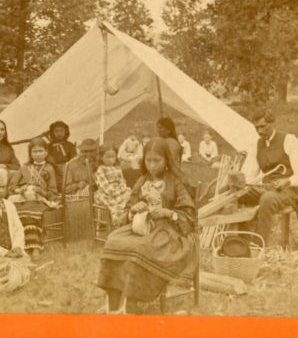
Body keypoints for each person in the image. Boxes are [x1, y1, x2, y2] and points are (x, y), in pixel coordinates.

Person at [97, 139, 197, 314]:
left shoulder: (176, 182)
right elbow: (126, 212)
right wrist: (133, 211)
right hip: (141, 227)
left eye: (156, 160)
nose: (152, 165)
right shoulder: (142, 181)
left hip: (169, 231)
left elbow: (190, 216)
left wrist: (167, 212)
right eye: (148, 160)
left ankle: (131, 303)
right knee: (114, 240)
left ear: (167, 160)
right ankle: (113, 303)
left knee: (140, 248)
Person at [235, 110, 298, 246]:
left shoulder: (289, 140)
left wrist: (287, 181)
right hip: (267, 188)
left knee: (267, 199)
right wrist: (238, 180)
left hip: (289, 191)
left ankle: (259, 244)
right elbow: (249, 175)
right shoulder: (257, 145)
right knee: (237, 195)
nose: (259, 131)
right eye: (256, 127)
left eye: (263, 126)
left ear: (272, 123)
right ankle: (241, 241)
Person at [8, 138, 60, 260]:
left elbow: (53, 192)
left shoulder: (49, 168)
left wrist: (40, 191)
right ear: (30, 153)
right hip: (24, 199)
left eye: (40, 151)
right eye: (34, 152)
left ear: (46, 152)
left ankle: (35, 246)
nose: (37, 154)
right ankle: (22, 246)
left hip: (40, 200)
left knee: (31, 214)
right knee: (18, 213)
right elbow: (12, 186)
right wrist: (20, 190)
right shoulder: (25, 167)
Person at [94, 145, 132, 228]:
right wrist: (116, 193)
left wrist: (123, 189)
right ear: (101, 157)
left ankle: (127, 219)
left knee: (129, 197)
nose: (111, 159)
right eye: (108, 157)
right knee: (116, 203)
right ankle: (117, 223)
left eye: (113, 156)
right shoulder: (101, 170)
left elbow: (122, 181)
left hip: (119, 190)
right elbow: (105, 186)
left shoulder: (117, 168)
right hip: (107, 193)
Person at [46, 121, 78, 185]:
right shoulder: (49, 146)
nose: (59, 133)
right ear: (53, 132)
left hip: (67, 169)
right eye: (56, 131)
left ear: (65, 131)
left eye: (61, 131)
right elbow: (47, 157)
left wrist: (66, 166)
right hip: (53, 169)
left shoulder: (70, 145)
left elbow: (74, 159)